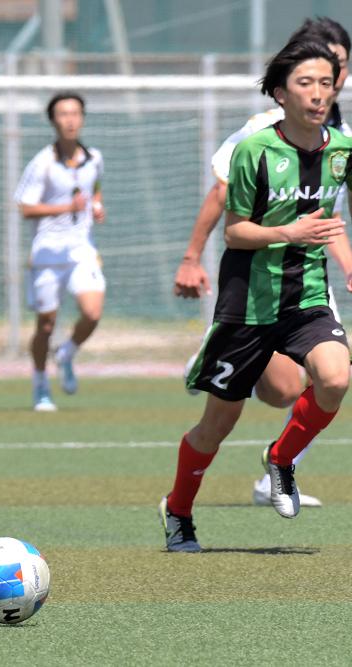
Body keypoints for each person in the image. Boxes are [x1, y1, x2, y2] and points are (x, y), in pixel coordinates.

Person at [161, 38, 352, 552]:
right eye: (305, 83)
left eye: (327, 83)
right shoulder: (254, 150)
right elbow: (235, 232)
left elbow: (337, 218)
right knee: (216, 426)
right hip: (247, 302)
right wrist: (290, 232)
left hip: (306, 296)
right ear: (280, 94)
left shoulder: (342, 150)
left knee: (336, 377)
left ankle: (281, 459)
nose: (319, 93)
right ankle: (178, 511)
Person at [14, 92, 106, 412]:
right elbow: (25, 208)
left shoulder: (94, 158)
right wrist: (67, 207)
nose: (70, 120)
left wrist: (96, 206)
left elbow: (95, 190)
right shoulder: (43, 163)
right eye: (63, 114)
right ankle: (41, 384)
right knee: (46, 325)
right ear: (53, 121)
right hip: (47, 254)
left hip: (81, 250)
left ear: (82, 118)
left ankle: (67, 352)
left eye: (75, 113)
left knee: (92, 313)